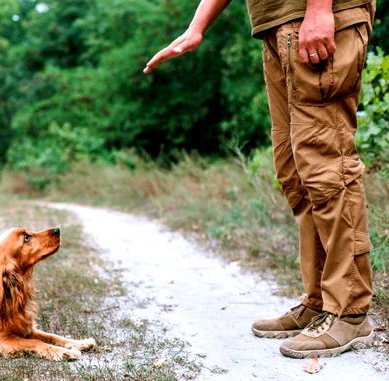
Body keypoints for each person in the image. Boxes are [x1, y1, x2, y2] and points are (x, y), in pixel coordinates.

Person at [144, 0, 376, 358]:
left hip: (317, 18)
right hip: (277, 26)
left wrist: (318, 9)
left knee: (327, 167)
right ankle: (319, 302)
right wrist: (197, 26)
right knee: (296, 174)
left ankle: (350, 310)